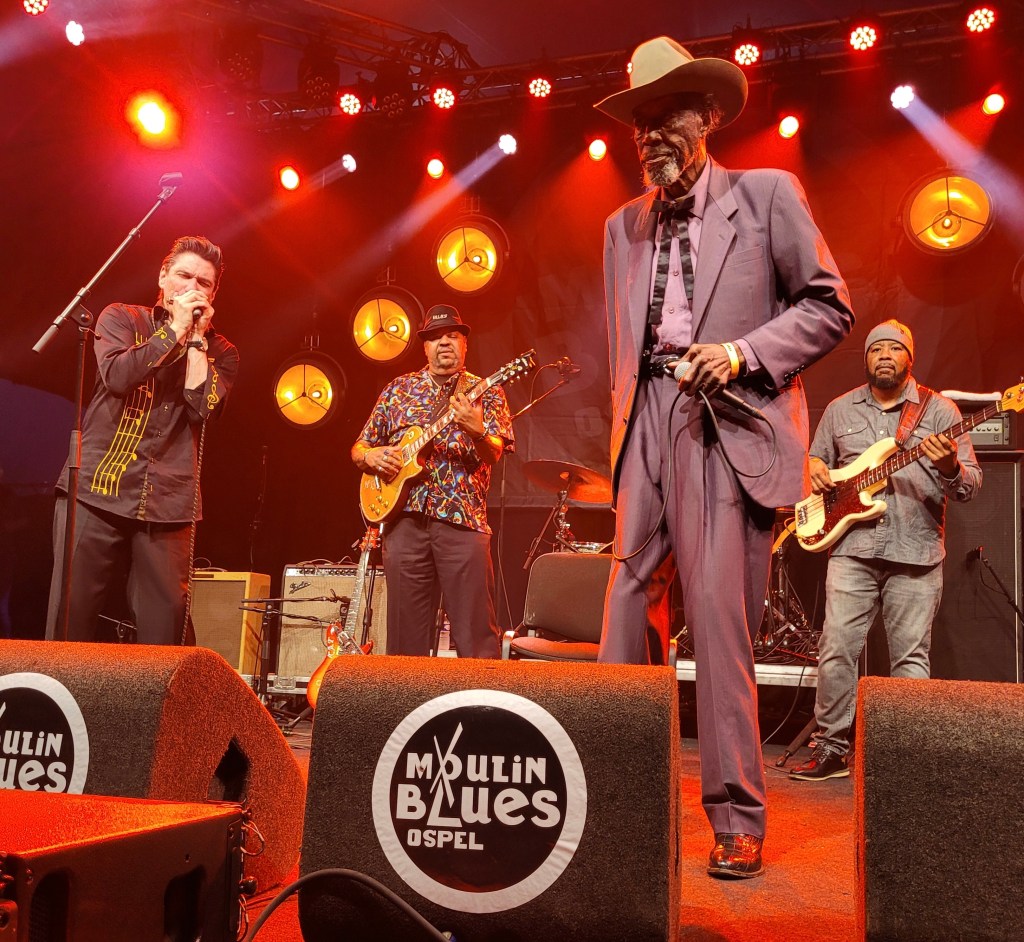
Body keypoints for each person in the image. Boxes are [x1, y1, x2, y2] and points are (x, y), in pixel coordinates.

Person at [594, 36, 854, 878]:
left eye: (666, 114)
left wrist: (742, 354)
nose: (649, 134)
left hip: (725, 419)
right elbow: (621, 345)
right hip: (647, 422)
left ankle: (736, 815)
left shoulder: (766, 193)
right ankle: (615, 803)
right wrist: (629, 429)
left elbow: (828, 305)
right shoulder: (620, 226)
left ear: (706, 115)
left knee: (716, 618)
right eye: (639, 121)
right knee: (623, 617)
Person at [789, 320, 981, 781]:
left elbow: (970, 485)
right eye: (877, 350)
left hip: (916, 552)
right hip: (851, 547)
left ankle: (906, 758)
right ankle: (832, 749)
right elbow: (815, 461)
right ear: (867, 358)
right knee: (836, 648)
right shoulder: (840, 408)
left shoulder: (940, 410)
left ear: (909, 359)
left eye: (895, 349)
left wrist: (950, 466)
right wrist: (813, 466)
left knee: (910, 658)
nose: (885, 356)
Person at [46, 235, 239, 646]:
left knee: (165, 628)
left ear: (213, 294)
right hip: (97, 487)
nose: (192, 287)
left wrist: (195, 340)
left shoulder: (221, 351)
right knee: (70, 617)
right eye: (184, 275)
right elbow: (118, 377)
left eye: (203, 283)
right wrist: (174, 329)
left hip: (168, 502)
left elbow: (201, 409)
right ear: (163, 277)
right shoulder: (121, 318)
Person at [351, 304, 513, 659]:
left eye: (453, 335)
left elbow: (495, 453)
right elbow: (359, 447)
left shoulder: (486, 391)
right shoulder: (398, 390)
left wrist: (477, 430)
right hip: (404, 520)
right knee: (404, 637)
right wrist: (372, 457)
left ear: (465, 344)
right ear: (424, 347)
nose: (444, 342)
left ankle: (482, 695)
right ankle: (407, 696)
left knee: (475, 632)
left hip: (463, 520)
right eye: (435, 337)